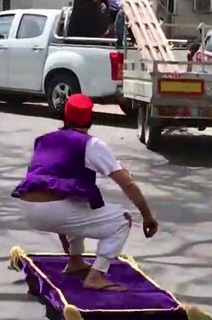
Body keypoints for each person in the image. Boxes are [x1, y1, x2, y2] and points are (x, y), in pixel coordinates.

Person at [12, 93, 159, 291]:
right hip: (54, 211)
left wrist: (63, 232)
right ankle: (96, 276)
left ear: (65, 116)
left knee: (78, 200)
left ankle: (75, 261)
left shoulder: (44, 140)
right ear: (90, 118)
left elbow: (48, 181)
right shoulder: (91, 144)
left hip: (27, 207)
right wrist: (147, 217)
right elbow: (128, 184)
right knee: (123, 220)